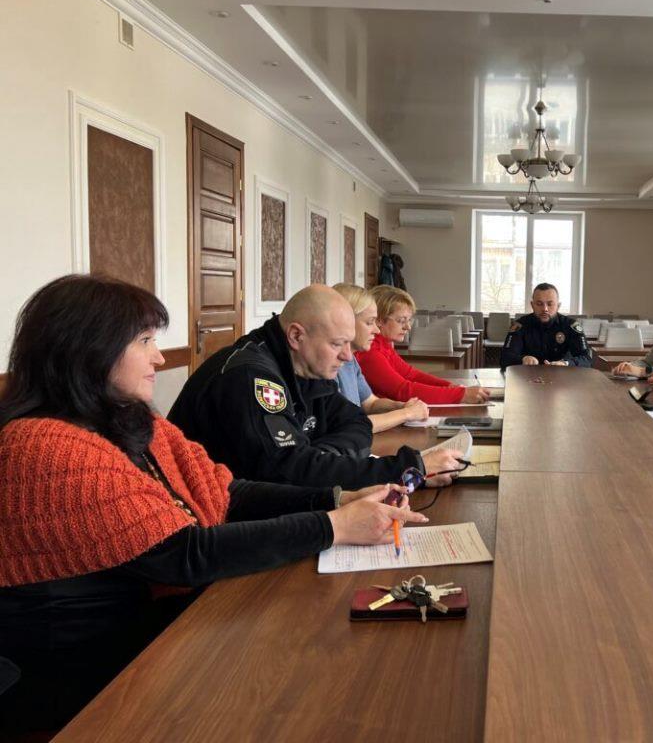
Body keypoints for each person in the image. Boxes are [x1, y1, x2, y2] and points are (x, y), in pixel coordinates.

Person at [0, 275, 426, 733]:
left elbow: (224, 491)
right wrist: (333, 526)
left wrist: (337, 497)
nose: (159, 358)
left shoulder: (128, 420)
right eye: (145, 341)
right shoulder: (44, 447)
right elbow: (184, 555)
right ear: (89, 349)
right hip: (91, 677)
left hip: (159, 630)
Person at [169, 285, 462, 489]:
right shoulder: (250, 377)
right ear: (296, 336)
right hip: (205, 520)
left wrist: (319, 455)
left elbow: (357, 422)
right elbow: (289, 473)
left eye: (348, 343)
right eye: (337, 344)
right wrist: (406, 468)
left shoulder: (306, 363)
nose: (347, 356)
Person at [356, 285, 491, 404]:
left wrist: (451, 387)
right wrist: (461, 395)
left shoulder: (383, 345)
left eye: (409, 320)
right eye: (401, 320)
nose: (408, 327)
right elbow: (402, 391)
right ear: (379, 320)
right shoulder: (370, 351)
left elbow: (411, 374)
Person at [333, 283, 430, 433]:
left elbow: (370, 404)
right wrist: (406, 414)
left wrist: (401, 406)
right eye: (369, 322)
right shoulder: (326, 366)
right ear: (346, 322)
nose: (377, 330)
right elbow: (348, 426)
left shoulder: (351, 360)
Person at [500, 283, 593, 369]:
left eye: (550, 304)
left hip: (562, 375)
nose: (545, 309)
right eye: (539, 304)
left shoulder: (570, 326)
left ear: (558, 306)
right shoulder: (520, 326)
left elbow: (586, 359)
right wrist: (523, 359)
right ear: (532, 305)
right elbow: (505, 358)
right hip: (528, 376)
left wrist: (566, 363)